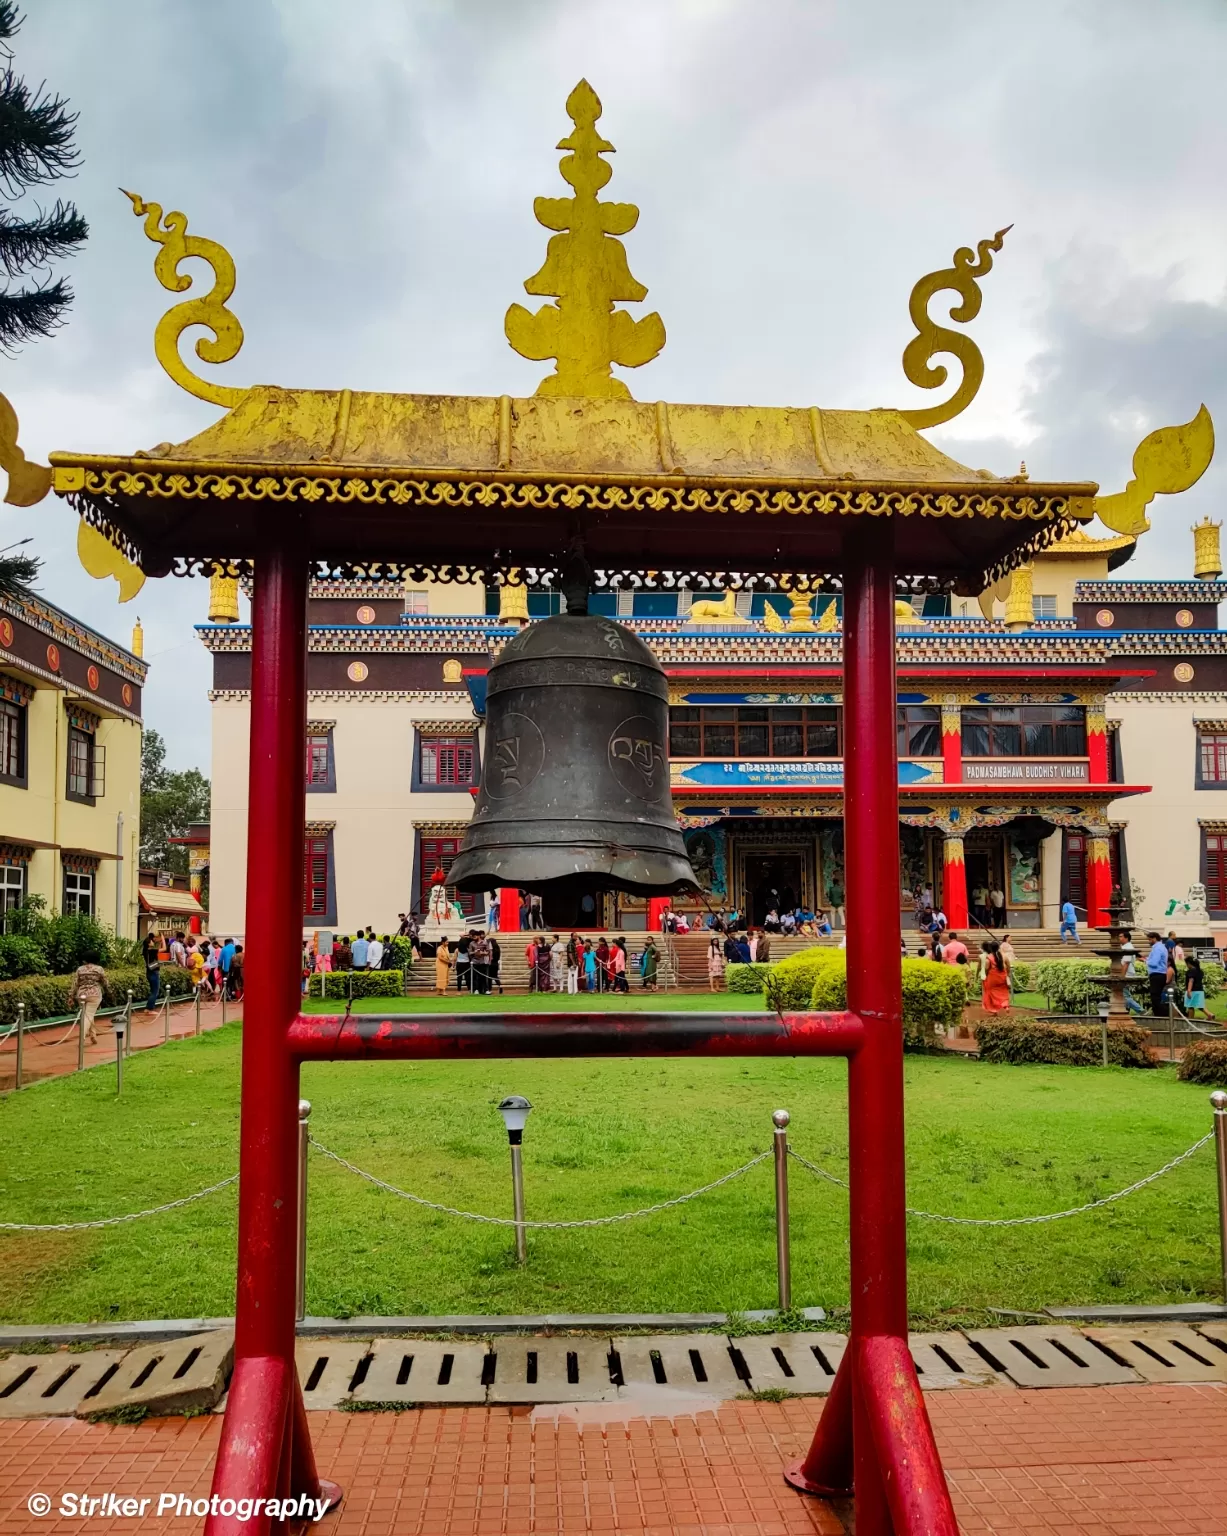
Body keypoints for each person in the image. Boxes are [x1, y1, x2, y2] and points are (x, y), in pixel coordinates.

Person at [70, 957, 106, 1045]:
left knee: (88, 1014)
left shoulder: (80, 969)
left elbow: (75, 983)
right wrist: (110, 992)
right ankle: (82, 1037)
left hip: (81, 994)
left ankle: (93, 1035)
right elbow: (105, 982)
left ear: (85, 960)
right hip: (94, 994)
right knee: (89, 1015)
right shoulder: (99, 969)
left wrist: (70, 996)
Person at [1145, 931, 1172, 1016]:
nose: (1149, 941)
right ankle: (1159, 1014)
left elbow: (1154, 963)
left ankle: (1162, 1015)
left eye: (1150, 940)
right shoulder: (1161, 947)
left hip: (1157, 974)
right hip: (1160, 974)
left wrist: (1146, 961)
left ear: (1154, 938)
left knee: (1155, 997)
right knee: (1156, 996)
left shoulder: (1158, 948)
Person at [980, 940, 1010, 1013]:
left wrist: (985, 977)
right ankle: (1005, 1005)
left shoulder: (989, 958)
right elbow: (1008, 966)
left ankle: (994, 1010)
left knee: (991, 994)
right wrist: (1007, 975)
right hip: (1002, 977)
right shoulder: (1004, 956)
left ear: (990, 948)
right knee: (1003, 992)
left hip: (992, 979)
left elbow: (987, 969)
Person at [142, 929, 162, 1011]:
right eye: (151, 941)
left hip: (149, 971)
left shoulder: (145, 951)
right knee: (155, 991)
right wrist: (163, 938)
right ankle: (149, 1008)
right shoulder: (151, 951)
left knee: (153, 990)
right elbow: (164, 948)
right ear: (149, 943)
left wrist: (159, 940)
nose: (153, 941)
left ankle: (149, 1007)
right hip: (154, 972)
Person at [1185, 951, 1208, 1020]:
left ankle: (1190, 1020)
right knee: (1200, 1006)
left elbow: (1191, 980)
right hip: (1199, 990)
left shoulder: (1191, 971)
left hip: (1193, 991)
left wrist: (1189, 990)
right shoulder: (1200, 971)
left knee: (1190, 1006)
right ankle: (1210, 1014)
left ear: (1189, 963)